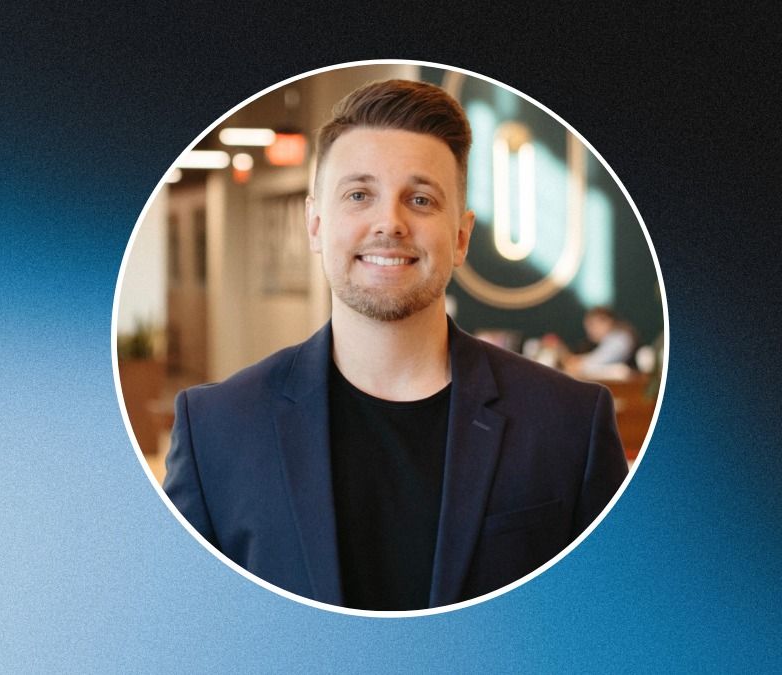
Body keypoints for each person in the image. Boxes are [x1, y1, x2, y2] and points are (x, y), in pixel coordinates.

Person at [162, 79, 628, 611]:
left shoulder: (570, 423)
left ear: (460, 237)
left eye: (422, 199)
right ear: (316, 224)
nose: (390, 223)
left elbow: (616, 619)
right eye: (359, 195)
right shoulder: (215, 429)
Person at [564, 306, 639, 378]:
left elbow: (599, 361)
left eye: (592, 324)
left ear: (608, 321)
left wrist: (578, 365)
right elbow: (594, 358)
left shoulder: (621, 339)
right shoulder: (609, 340)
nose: (589, 331)